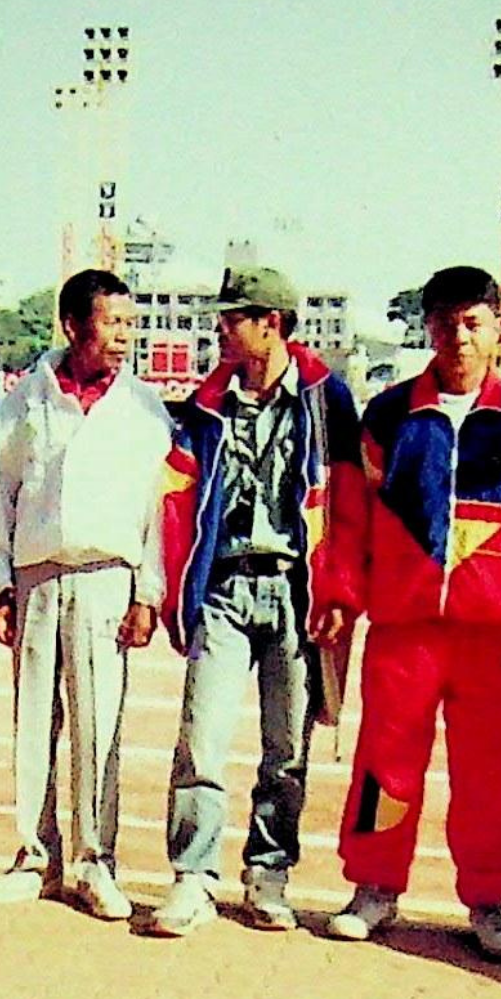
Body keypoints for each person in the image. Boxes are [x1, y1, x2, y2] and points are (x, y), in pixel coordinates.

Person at [327, 265, 501, 962]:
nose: (458, 337)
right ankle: (374, 885)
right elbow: (351, 515)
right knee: (385, 764)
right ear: (427, 328)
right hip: (404, 629)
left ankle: (490, 899)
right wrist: (351, 593)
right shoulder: (389, 414)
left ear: (497, 327)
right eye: (444, 323)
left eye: (472, 322)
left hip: (490, 637)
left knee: (490, 773)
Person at [145, 264, 364, 937]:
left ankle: (269, 872)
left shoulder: (326, 400)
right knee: (201, 739)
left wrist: (341, 591)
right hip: (224, 587)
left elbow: (350, 507)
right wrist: (178, 592)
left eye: (234, 317)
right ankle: (193, 876)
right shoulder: (208, 403)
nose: (222, 329)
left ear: (272, 323)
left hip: (297, 591)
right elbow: (178, 500)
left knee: (286, 747)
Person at [0, 268, 174, 920]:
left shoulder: (142, 410)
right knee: (34, 722)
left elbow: (155, 508)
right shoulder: (26, 403)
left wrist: (148, 592)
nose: (124, 335)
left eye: (130, 324)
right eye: (112, 322)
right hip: (36, 576)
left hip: (107, 577)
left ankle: (93, 861)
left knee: (97, 723)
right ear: (73, 325)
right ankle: (36, 856)